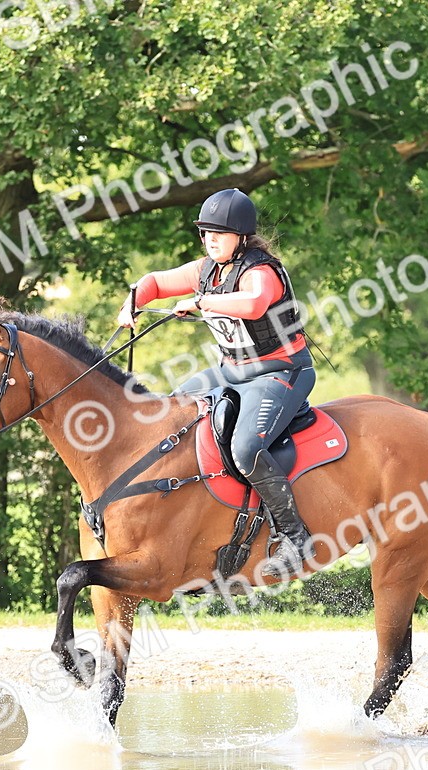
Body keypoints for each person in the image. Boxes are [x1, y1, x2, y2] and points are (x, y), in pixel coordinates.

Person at [117, 188, 316, 578]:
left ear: (240, 236)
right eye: (205, 232)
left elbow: (253, 304)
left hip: (280, 373)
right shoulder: (206, 269)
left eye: (219, 233)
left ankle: (295, 538)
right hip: (231, 372)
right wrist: (132, 303)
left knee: (246, 448)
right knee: (172, 411)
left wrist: (201, 302)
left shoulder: (261, 272)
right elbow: (154, 282)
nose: (210, 240)